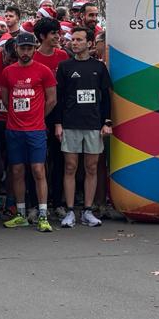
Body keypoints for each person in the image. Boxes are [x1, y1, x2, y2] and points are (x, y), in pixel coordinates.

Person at [0, 31, 58, 231]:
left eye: (29, 48)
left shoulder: (44, 71)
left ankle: (42, 214)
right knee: (17, 171)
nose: (25, 52)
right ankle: (21, 213)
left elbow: (52, 100)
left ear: (34, 48)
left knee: (39, 170)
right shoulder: (8, 72)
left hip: (36, 129)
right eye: (22, 48)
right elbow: (6, 100)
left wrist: (39, 116)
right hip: (13, 129)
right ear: (16, 49)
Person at [55, 27, 111, 228]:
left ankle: (88, 211)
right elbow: (59, 98)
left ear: (89, 43)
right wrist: (58, 123)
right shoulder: (65, 67)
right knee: (70, 167)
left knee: (91, 167)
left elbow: (105, 97)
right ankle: (70, 211)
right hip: (70, 123)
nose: (74, 43)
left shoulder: (99, 67)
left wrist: (107, 122)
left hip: (93, 124)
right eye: (72, 39)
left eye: (79, 39)